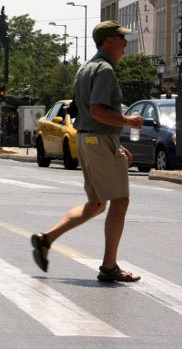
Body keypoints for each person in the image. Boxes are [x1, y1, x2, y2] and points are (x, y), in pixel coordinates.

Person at [31, 21, 144, 283]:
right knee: (120, 200)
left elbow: (89, 115)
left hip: (90, 139)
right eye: (120, 38)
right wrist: (128, 122)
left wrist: (116, 143)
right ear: (107, 41)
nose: (125, 43)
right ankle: (109, 267)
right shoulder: (104, 70)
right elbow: (97, 111)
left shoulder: (86, 68)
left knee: (96, 204)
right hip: (99, 140)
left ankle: (46, 239)